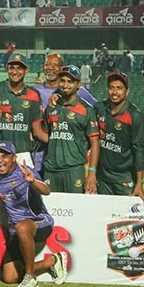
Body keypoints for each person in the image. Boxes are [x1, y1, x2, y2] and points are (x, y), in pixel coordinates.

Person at [0, 141, 67, 287]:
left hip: (40, 221)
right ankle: (52, 261)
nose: (0, 160)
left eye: (4, 156)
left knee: (22, 227)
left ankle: (31, 279)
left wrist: (33, 181)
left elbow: (46, 190)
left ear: (14, 158)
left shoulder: (25, 172)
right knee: (9, 277)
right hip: (16, 231)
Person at [41, 65, 100, 194]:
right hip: (50, 170)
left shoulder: (87, 110)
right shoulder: (51, 107)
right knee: (49, 206)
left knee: (75, 206)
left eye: (70, 81)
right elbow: (45, 134)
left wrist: (92, 172)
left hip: (74, 170)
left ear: (79, 84)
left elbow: (95, 143)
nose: (65, 85)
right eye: (62, 81)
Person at [0, 53, 46, 167]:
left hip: (23, 153)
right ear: (7, 69)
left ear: (26, 70)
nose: (15, 72)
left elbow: (37, 131)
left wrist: (58, 141)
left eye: (19, 68)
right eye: (12, 67)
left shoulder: (34, 95)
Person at [93, 73, 144, 203]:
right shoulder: (99, 108)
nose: (114, 92)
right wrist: (58, 97)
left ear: (127, 91)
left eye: (119, 88)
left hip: (124, 178)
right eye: (111, 88)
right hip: (102, 178)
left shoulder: (135, 115)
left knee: (124, 213)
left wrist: (139, 183)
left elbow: (139, 150)